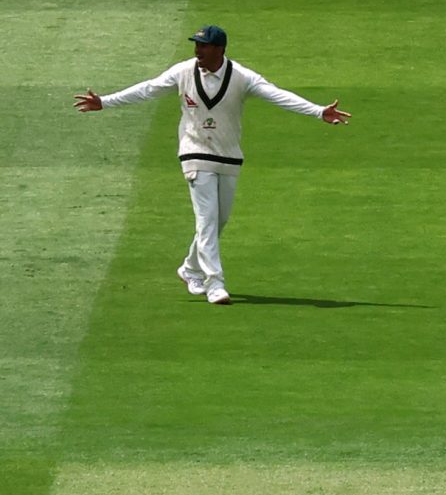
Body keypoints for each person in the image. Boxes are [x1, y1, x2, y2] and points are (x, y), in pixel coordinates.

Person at [73, 23, 349, 305]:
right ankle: (214, 283)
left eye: (203, 46)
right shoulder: (183, 71)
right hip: (195, 152)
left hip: (228, 155)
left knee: (219, 221)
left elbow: (277, 95)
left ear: (219, 49)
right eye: (196, 44)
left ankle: (190, 268)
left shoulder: (242, 77)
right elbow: (148, 89)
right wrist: (105, 102)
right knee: (206, 220)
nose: (197, 50)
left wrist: (318, 111)